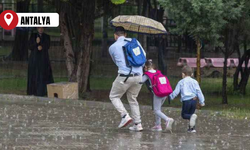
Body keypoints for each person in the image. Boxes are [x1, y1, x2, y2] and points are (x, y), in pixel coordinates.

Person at [109, 26, 146, 131]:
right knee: (133, 99)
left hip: (124, 77)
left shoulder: (112, 47)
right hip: (139, 76)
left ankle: (124, 116)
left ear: (115, 36)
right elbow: (144, 56)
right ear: (125, 34)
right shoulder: (135, 42)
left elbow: (116, 62)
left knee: (114, 96)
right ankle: (138, 124)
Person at [140, 59, 174, 132]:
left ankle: (167, 119)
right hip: (165, 93)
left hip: (157, 94)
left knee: (156, 110)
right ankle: (158, 125)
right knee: (158, 109)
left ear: (146, 67)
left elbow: (140, 81)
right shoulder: (158, 73)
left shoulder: (147, 74)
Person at [169, 66, 205, 133]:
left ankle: (192, 120)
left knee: (184, 115)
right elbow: (199, 91)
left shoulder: (181, 82)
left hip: (186, 101)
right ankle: (192, 128)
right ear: (191, 74)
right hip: (194, 100)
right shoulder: (195, 82)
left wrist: (171, 97)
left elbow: (176, 92)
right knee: (191, 115)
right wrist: (202, 101)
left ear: (183, 74)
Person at [27, 27, 54, 96]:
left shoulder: (46, 36)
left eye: (42, 28)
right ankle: (33, 90)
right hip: (34, 58)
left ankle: (43, 91)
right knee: (34, 74)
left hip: (43, 58)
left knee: (43, 73)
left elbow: (47, 46)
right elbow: (30, 47)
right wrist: (36, 43)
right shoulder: (33, 36)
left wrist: (42, 46)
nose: (41, 29)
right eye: (39, 28)